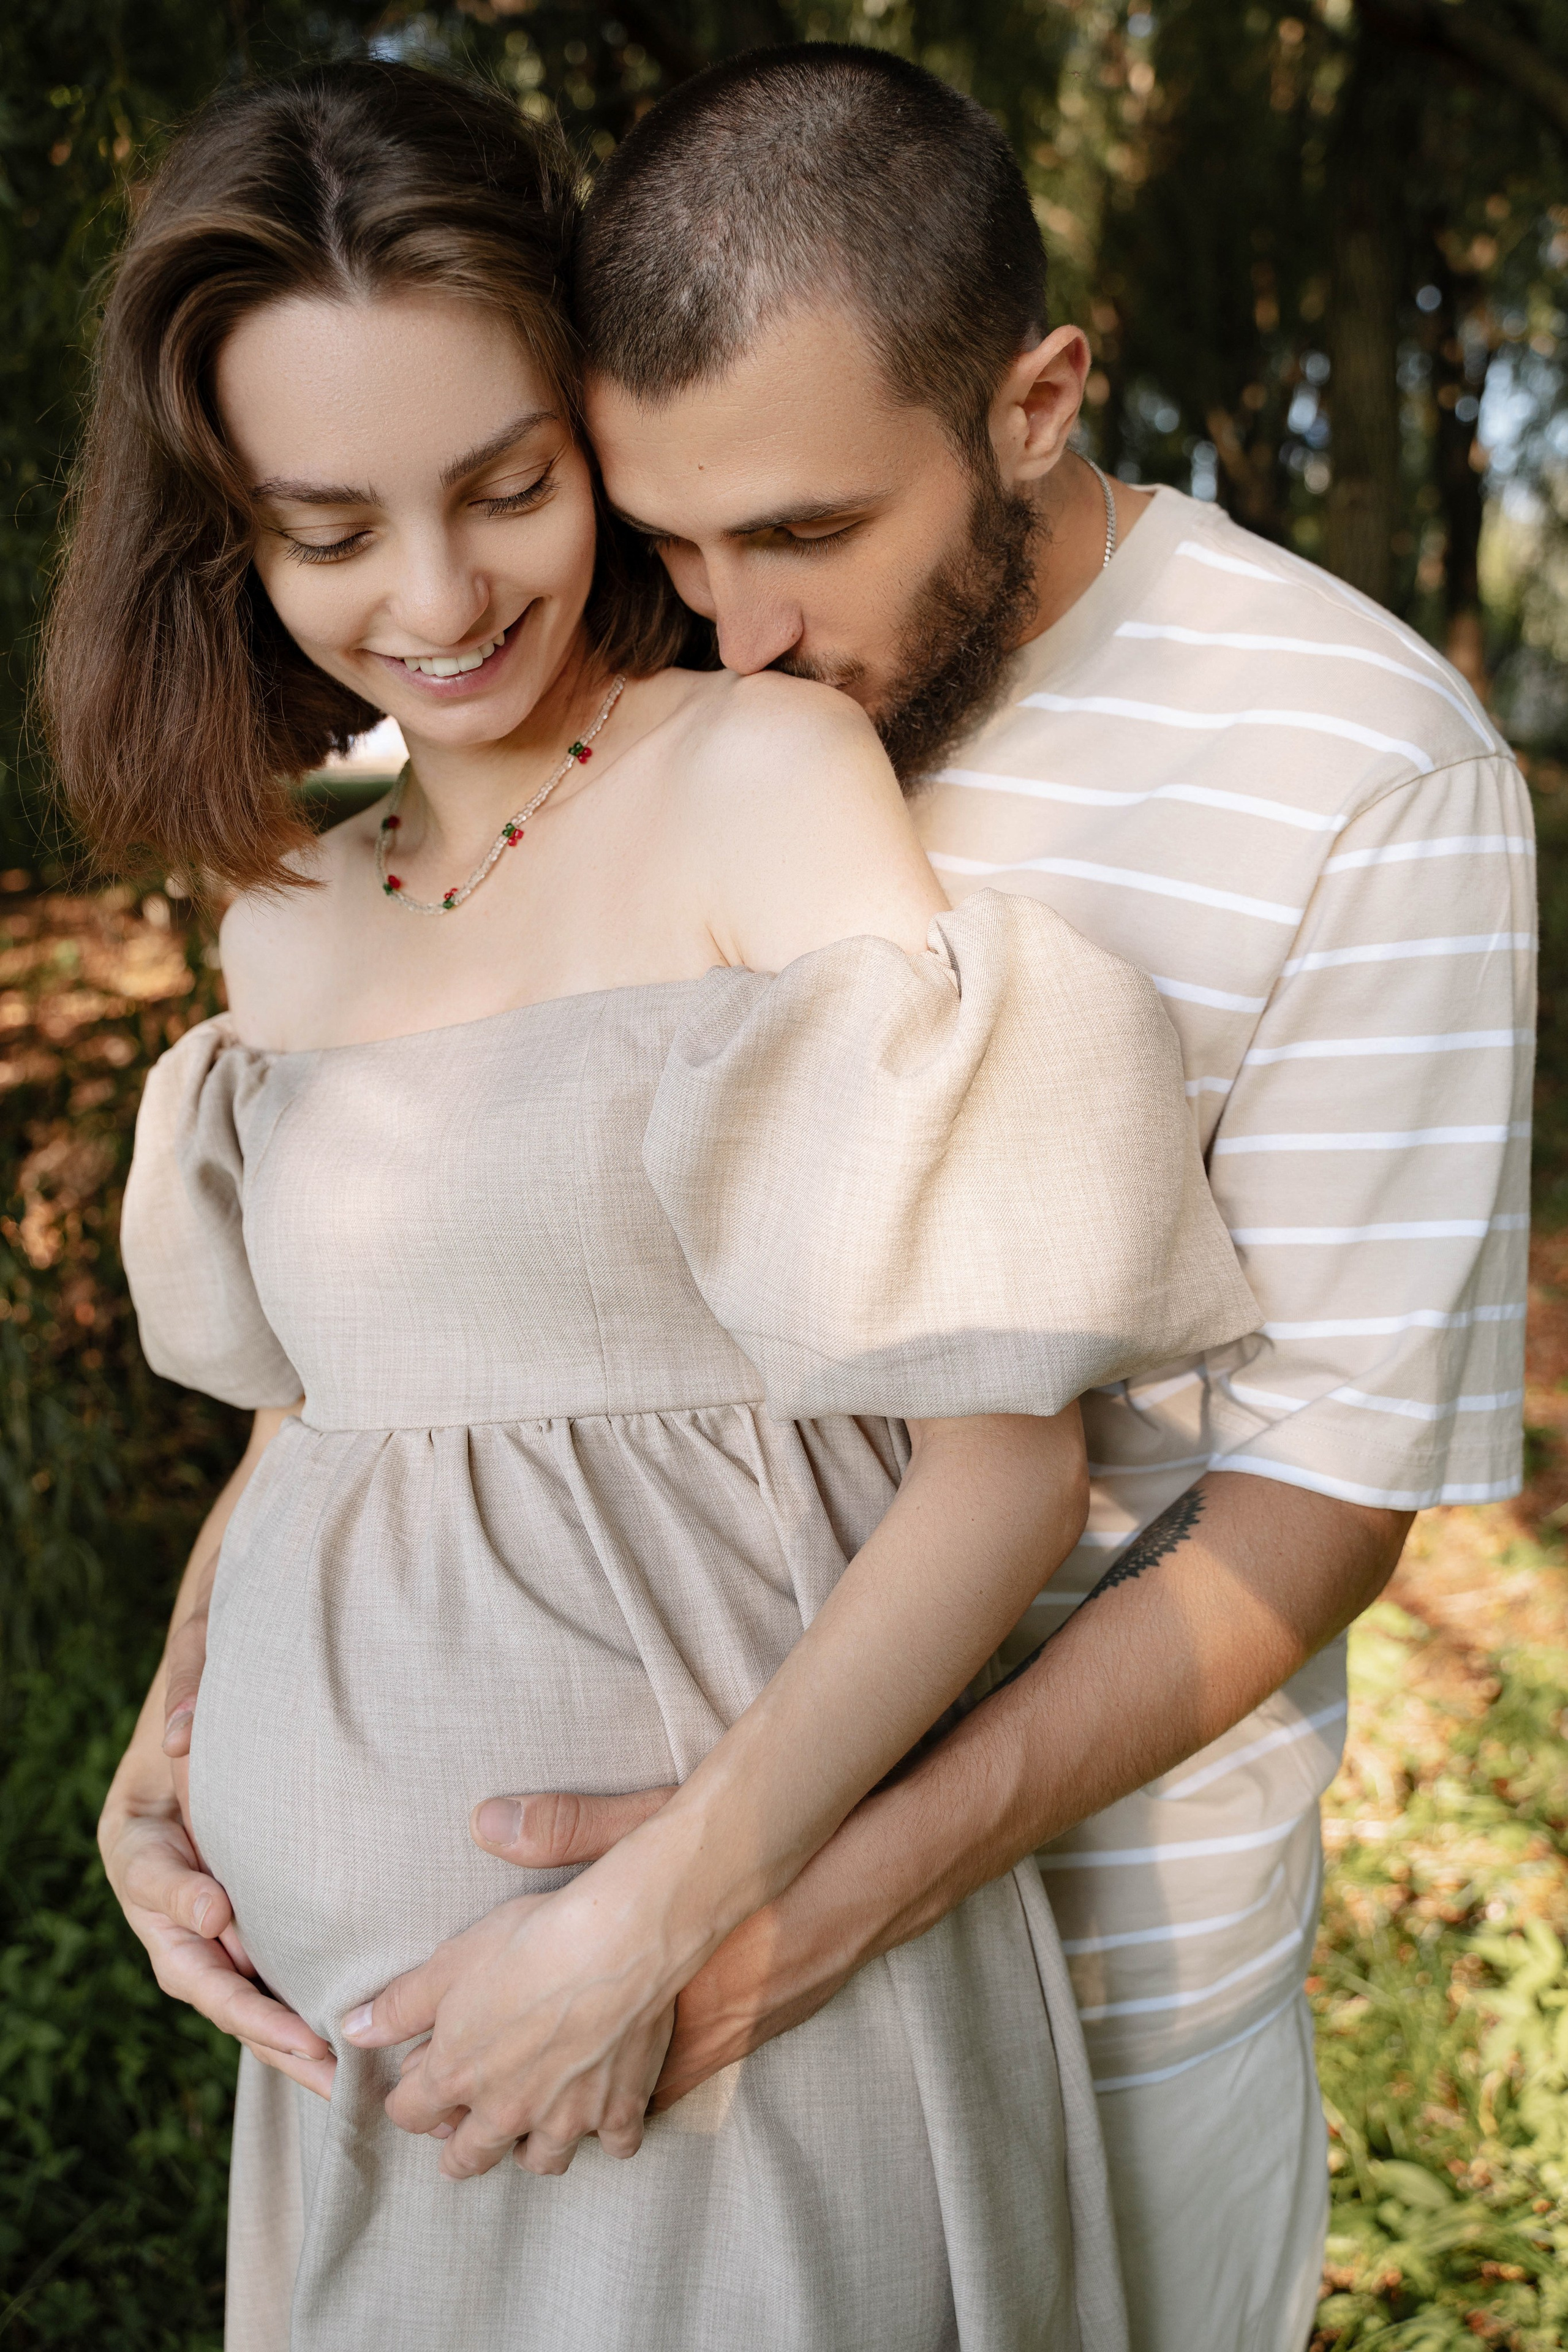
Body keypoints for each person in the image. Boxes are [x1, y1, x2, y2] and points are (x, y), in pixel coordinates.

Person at [98, 44, 1534, 2350]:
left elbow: (1319, 1492)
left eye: (797, 537)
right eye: (662, 536)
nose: (726, 621)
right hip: (455, 2033)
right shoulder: (513, 759)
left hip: (1082, 1957)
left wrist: (734, 1910)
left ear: (1037, 400)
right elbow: (366, 1379)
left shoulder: (1356, 774)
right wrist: (179, 1751)